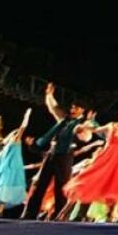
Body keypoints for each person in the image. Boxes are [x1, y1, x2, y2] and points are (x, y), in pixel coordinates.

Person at [22, 84, 94, 219]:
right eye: (72, 107)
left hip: (65, 157)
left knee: (61, 187)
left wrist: (84, 128)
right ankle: (30, 213)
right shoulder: (63, 120)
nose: (72, 109)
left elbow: (86, 137)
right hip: (51, 154)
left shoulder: (80, 123)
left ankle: (59, 215)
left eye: (76, 108)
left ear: (82, 111)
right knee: (40, 185)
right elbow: (54, 108)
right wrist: (49, 95)